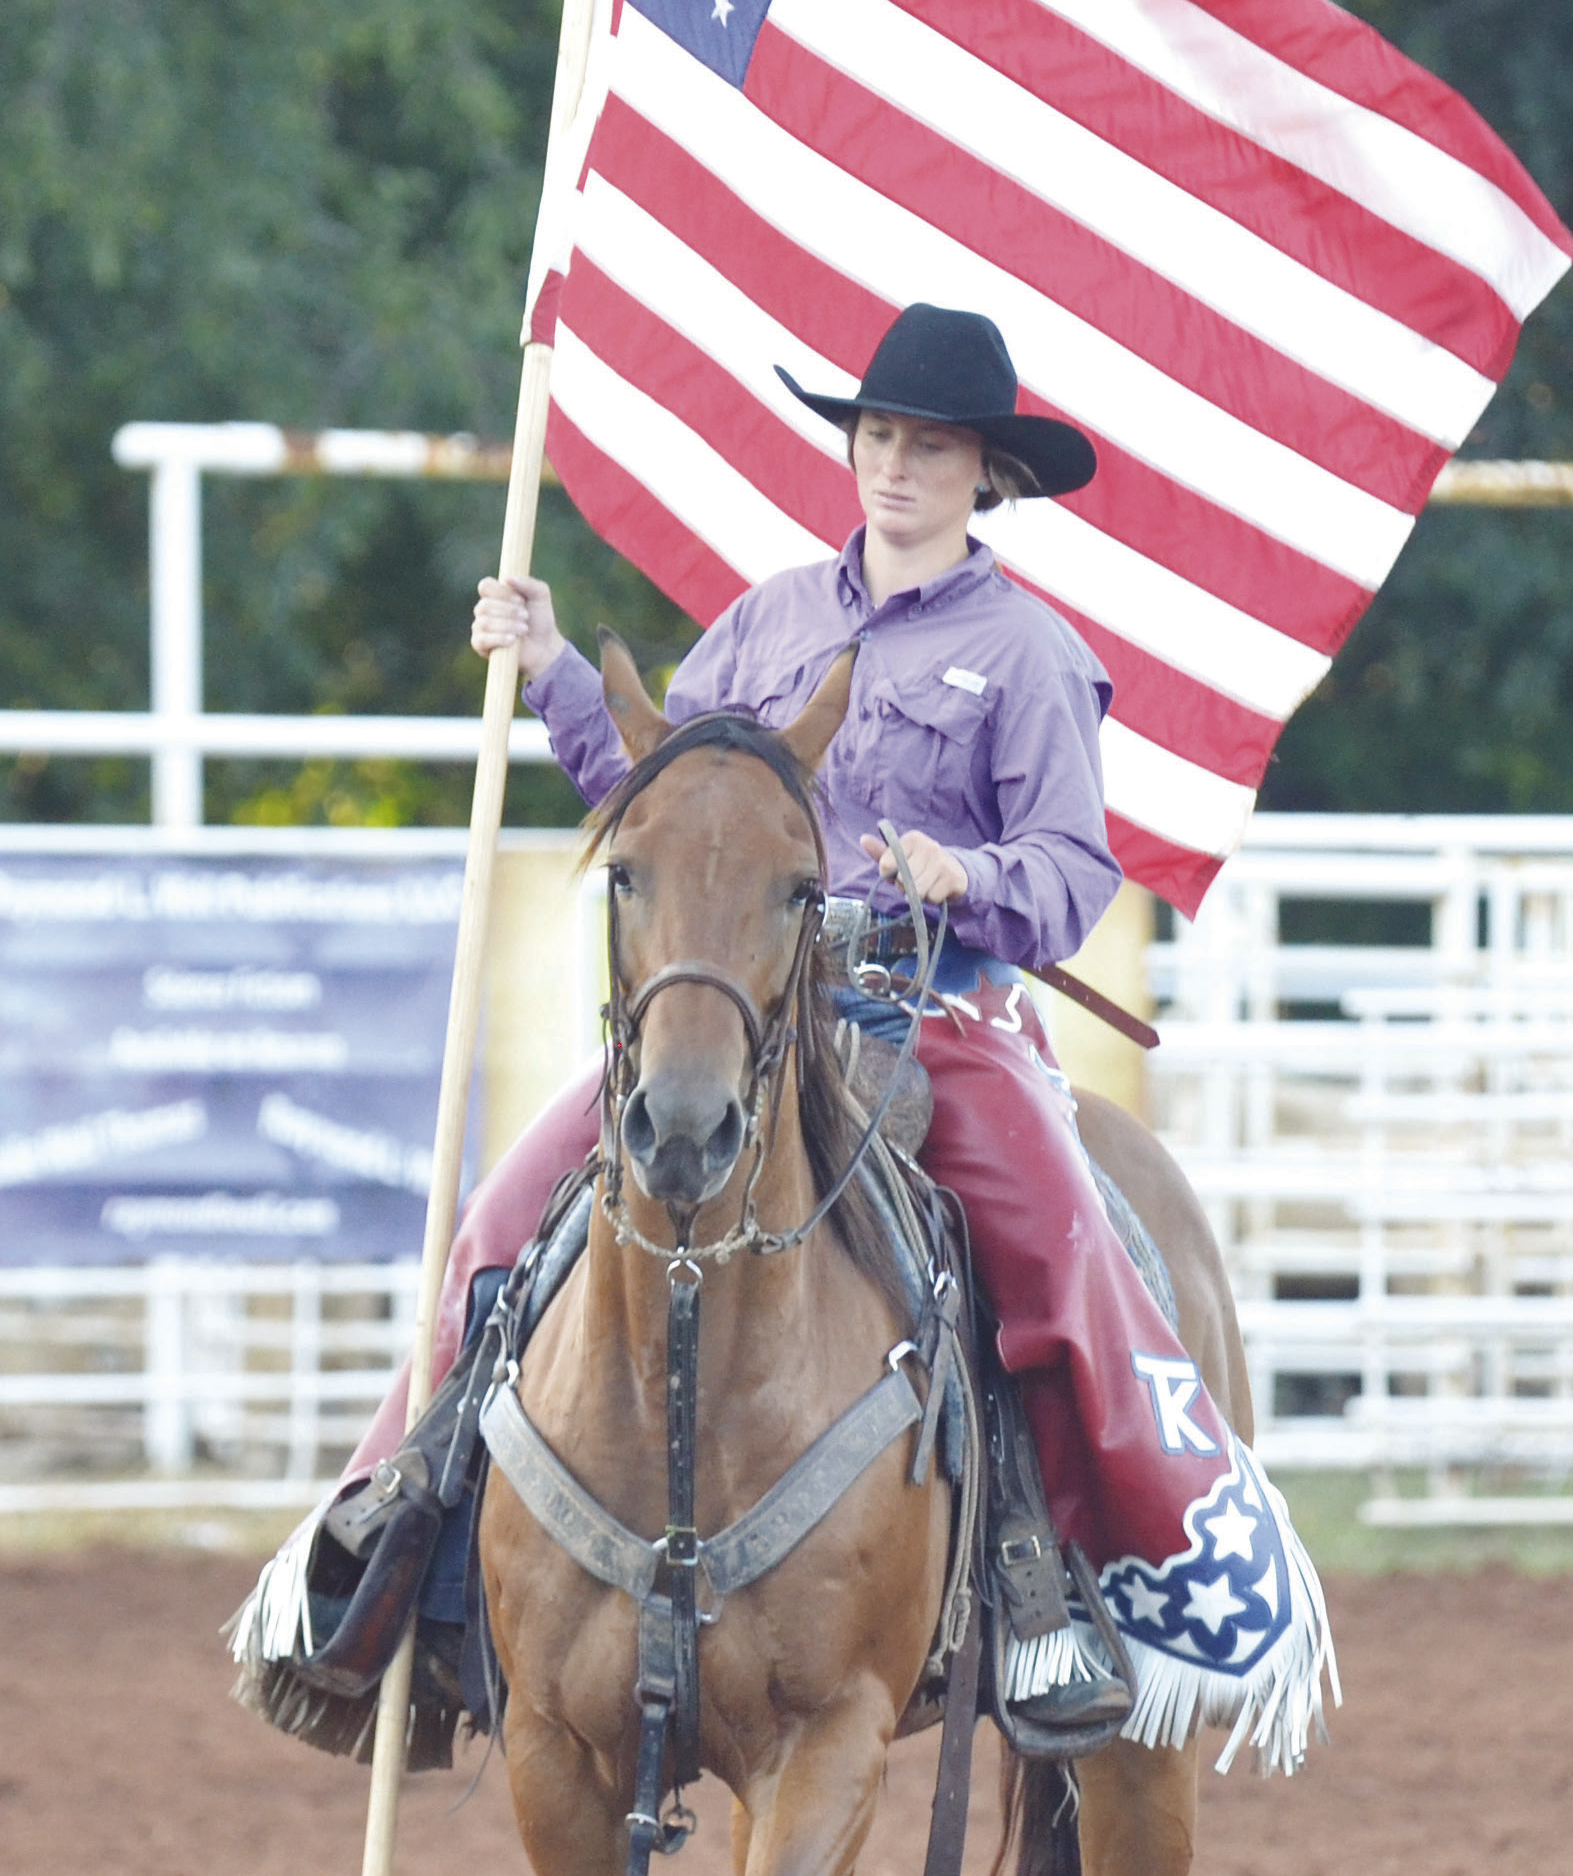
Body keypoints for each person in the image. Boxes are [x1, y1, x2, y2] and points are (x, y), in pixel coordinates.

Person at [329, 302, 1255, 1732]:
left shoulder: (1028, 655)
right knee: (503, 1224)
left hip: (933, 1017)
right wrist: (554, 668)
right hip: (741, 1016)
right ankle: (397, 1534)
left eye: (928, 446)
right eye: (878, 435)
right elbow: (662, 787)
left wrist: (973, 873)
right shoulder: (768, 619)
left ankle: (1061, 1584)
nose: (893, 465)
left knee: (1061, 1252)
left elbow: (1073, 877)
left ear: (982, 473)